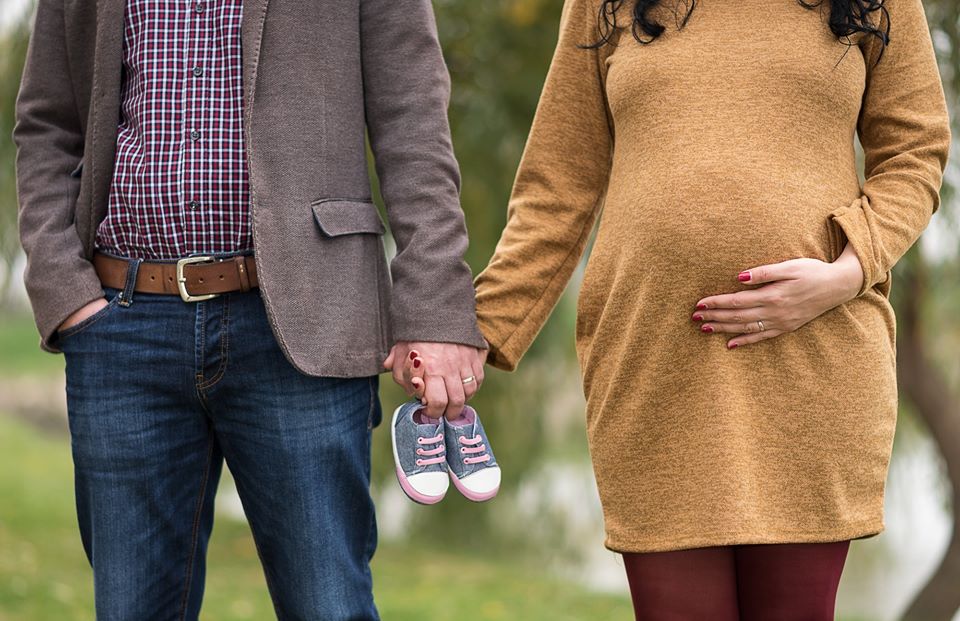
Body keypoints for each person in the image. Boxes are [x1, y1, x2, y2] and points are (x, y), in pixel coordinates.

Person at [404, 0, 950, 617]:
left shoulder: (875, 5)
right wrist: (475, 330)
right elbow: (558, 187)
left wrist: (844, 275)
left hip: (812, 361)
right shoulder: (603, 6)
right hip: (656, 364)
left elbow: (915, 151)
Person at [13, 0, 485, 617]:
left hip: (303, 323)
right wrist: (64, 291)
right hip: (122, 328)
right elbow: (47, 121)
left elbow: (414, 123)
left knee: (329, 607)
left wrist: (434, 306)